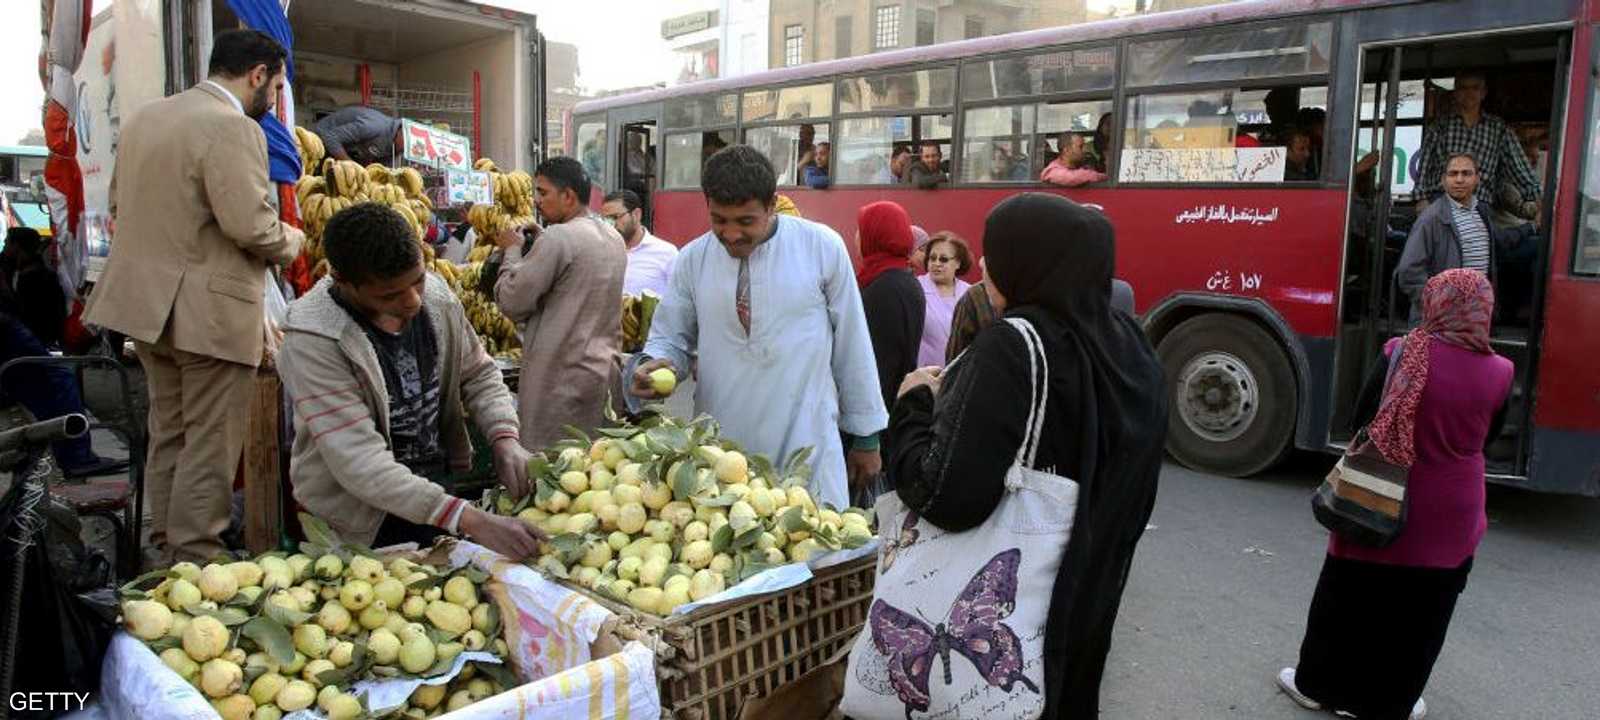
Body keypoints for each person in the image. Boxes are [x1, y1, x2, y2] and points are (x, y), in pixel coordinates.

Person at [889, 193, 1167, 719]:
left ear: (1028, 264)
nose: (988, 270)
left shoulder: (1013, 346)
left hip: (1005, 610)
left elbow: (945, 496)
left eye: (997, 257)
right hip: (1088, 596)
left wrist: (912, 410)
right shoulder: (1128, 341)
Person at [84, 30, 304, 563]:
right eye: (274, 87)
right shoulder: (232, 128)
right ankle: (198, 556)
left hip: (147, 310)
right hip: (208, 316)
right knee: (209, 442)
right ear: (257, 75)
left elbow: (120, 203)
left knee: (170, 435)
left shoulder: (145, 120)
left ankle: (165, 546)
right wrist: (294, 239)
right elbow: (249, 226)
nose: (272, 100)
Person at [1278, 269, 1511, 720]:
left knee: (1345, 598)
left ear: (1434, 303)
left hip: (1377, 495)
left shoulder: (1401, 353)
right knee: (1423, 615)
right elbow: (1491, 437)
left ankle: (1319, 686)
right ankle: (1387, 702)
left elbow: (1363, 414)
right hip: (1452, 514)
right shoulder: (1501, 372)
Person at [627, 145, 886, 510]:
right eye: (719, 220)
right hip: (723, 454)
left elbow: (853, 346)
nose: (731, 234)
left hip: (806, 443)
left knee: (813, 551)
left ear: (771, 205)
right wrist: (656, 365)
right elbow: (671, 339)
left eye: (745, 221)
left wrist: (867, 438)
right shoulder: (692, 260)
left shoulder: (821, 247)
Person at [279, 203, 544, 557]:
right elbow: (359, 461)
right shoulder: (314, 338)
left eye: (417, 279)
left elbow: (478, 374)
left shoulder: (436, 298)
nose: (413, 301)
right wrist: (470, 519)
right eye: (389, 295)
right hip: (357, 520)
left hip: (435, 492)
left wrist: (504, 436)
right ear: (344, 282)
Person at [494, 156, 626, 451]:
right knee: (593, 471)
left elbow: (512, 300)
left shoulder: (559, 238)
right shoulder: (613, 236)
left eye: (543, 193)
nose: (537, 201)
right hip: (601, 378)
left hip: (559, 383)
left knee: (552, 474)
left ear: (568, 196)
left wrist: (512, 252)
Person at [1395, 152, 1534, 322]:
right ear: (1443, 180)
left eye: (1466, 173)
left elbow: (1500, 241)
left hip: (1476, 317)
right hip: (1442, 322)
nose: (1459, 180)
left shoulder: (1481, 212)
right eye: (1453, 174)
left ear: (1477, 179)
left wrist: (1531, 227)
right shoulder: (1432, 218)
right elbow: (1408, 272)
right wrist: (1438, 307)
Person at [1416, 73, 1542, 213]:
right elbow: (1425, 166)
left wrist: (1539, 202)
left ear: (1483, 93)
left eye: (1475, 88)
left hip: (1480, 206)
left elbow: (1520, 170)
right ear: (1456, 93)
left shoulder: (1498, 129)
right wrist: (1422, 199)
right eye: (1463, 88)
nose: (1469, 93)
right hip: (1441, 202)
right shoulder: (1440, 127)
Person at [855, 201, 925, 424]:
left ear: (876, 235)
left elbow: (880, 363)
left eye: (861, 229)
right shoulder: (898, 278)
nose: (856, 236)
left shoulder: (885, 288)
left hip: (877, 418)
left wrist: (866, 433)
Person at [602, 190, 678, 298]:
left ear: (637, 214)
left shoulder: (667, 253)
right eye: (606, 220)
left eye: (615, 217)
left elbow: (678, 299)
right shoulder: (603, 253)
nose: (611, 225)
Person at [915, 232, 973, 367]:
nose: (936, 263)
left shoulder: (970, 293)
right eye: (932, 258)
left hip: (961, 375)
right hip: (926, 378)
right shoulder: (915, 288)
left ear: (958, 263)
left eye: (944, 259)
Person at [0, 228, 65, 347]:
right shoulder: (13, 267)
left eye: (7, 243)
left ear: (16, 246)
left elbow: (29, 314)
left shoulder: (38, 278)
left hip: (29, 341)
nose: (4, 247)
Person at [314, 105, 404, 165]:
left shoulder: (395, 148)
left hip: (347, 152)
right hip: (320, 141)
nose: (403, 150)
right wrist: (351, 166)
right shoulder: (373, 127)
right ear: (401, 131)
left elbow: (382, 167)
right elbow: (330, 137)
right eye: (406, 145)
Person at [1040, 134, 1108, 187]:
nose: (1085, 150)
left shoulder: (1080, 165)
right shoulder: (1052, 171)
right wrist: (1102, 177)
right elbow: (1072, 178)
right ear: (1066, 150)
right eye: (1080, 147)